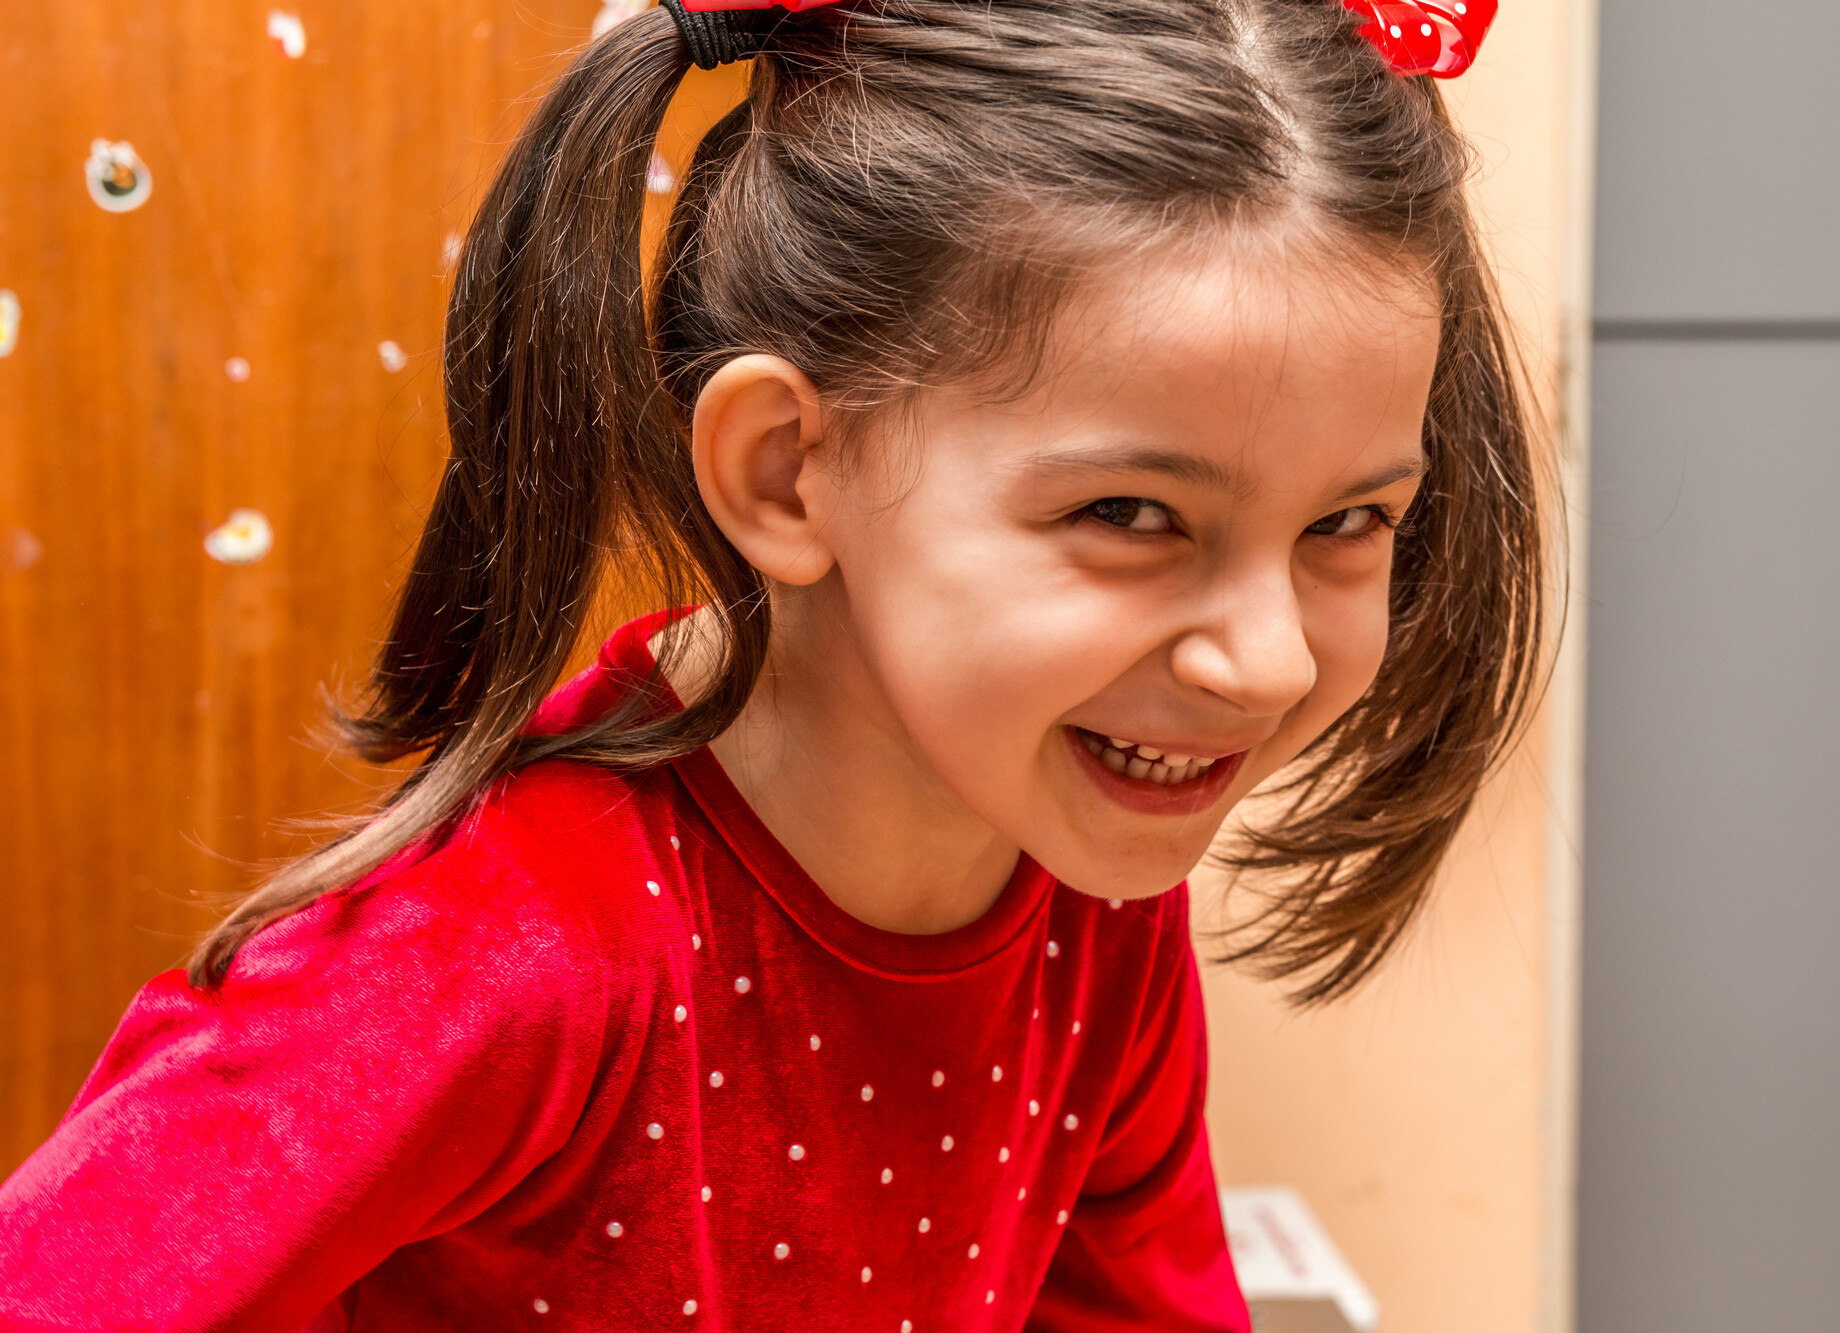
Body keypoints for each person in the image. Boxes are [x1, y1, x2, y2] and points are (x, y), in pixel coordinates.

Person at [0, 0, 1540, 1327]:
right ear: (789, 471)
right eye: (1133, 515)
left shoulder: (1093, 905)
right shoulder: (497, 960)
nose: (1265, 657)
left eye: (1348, 522)